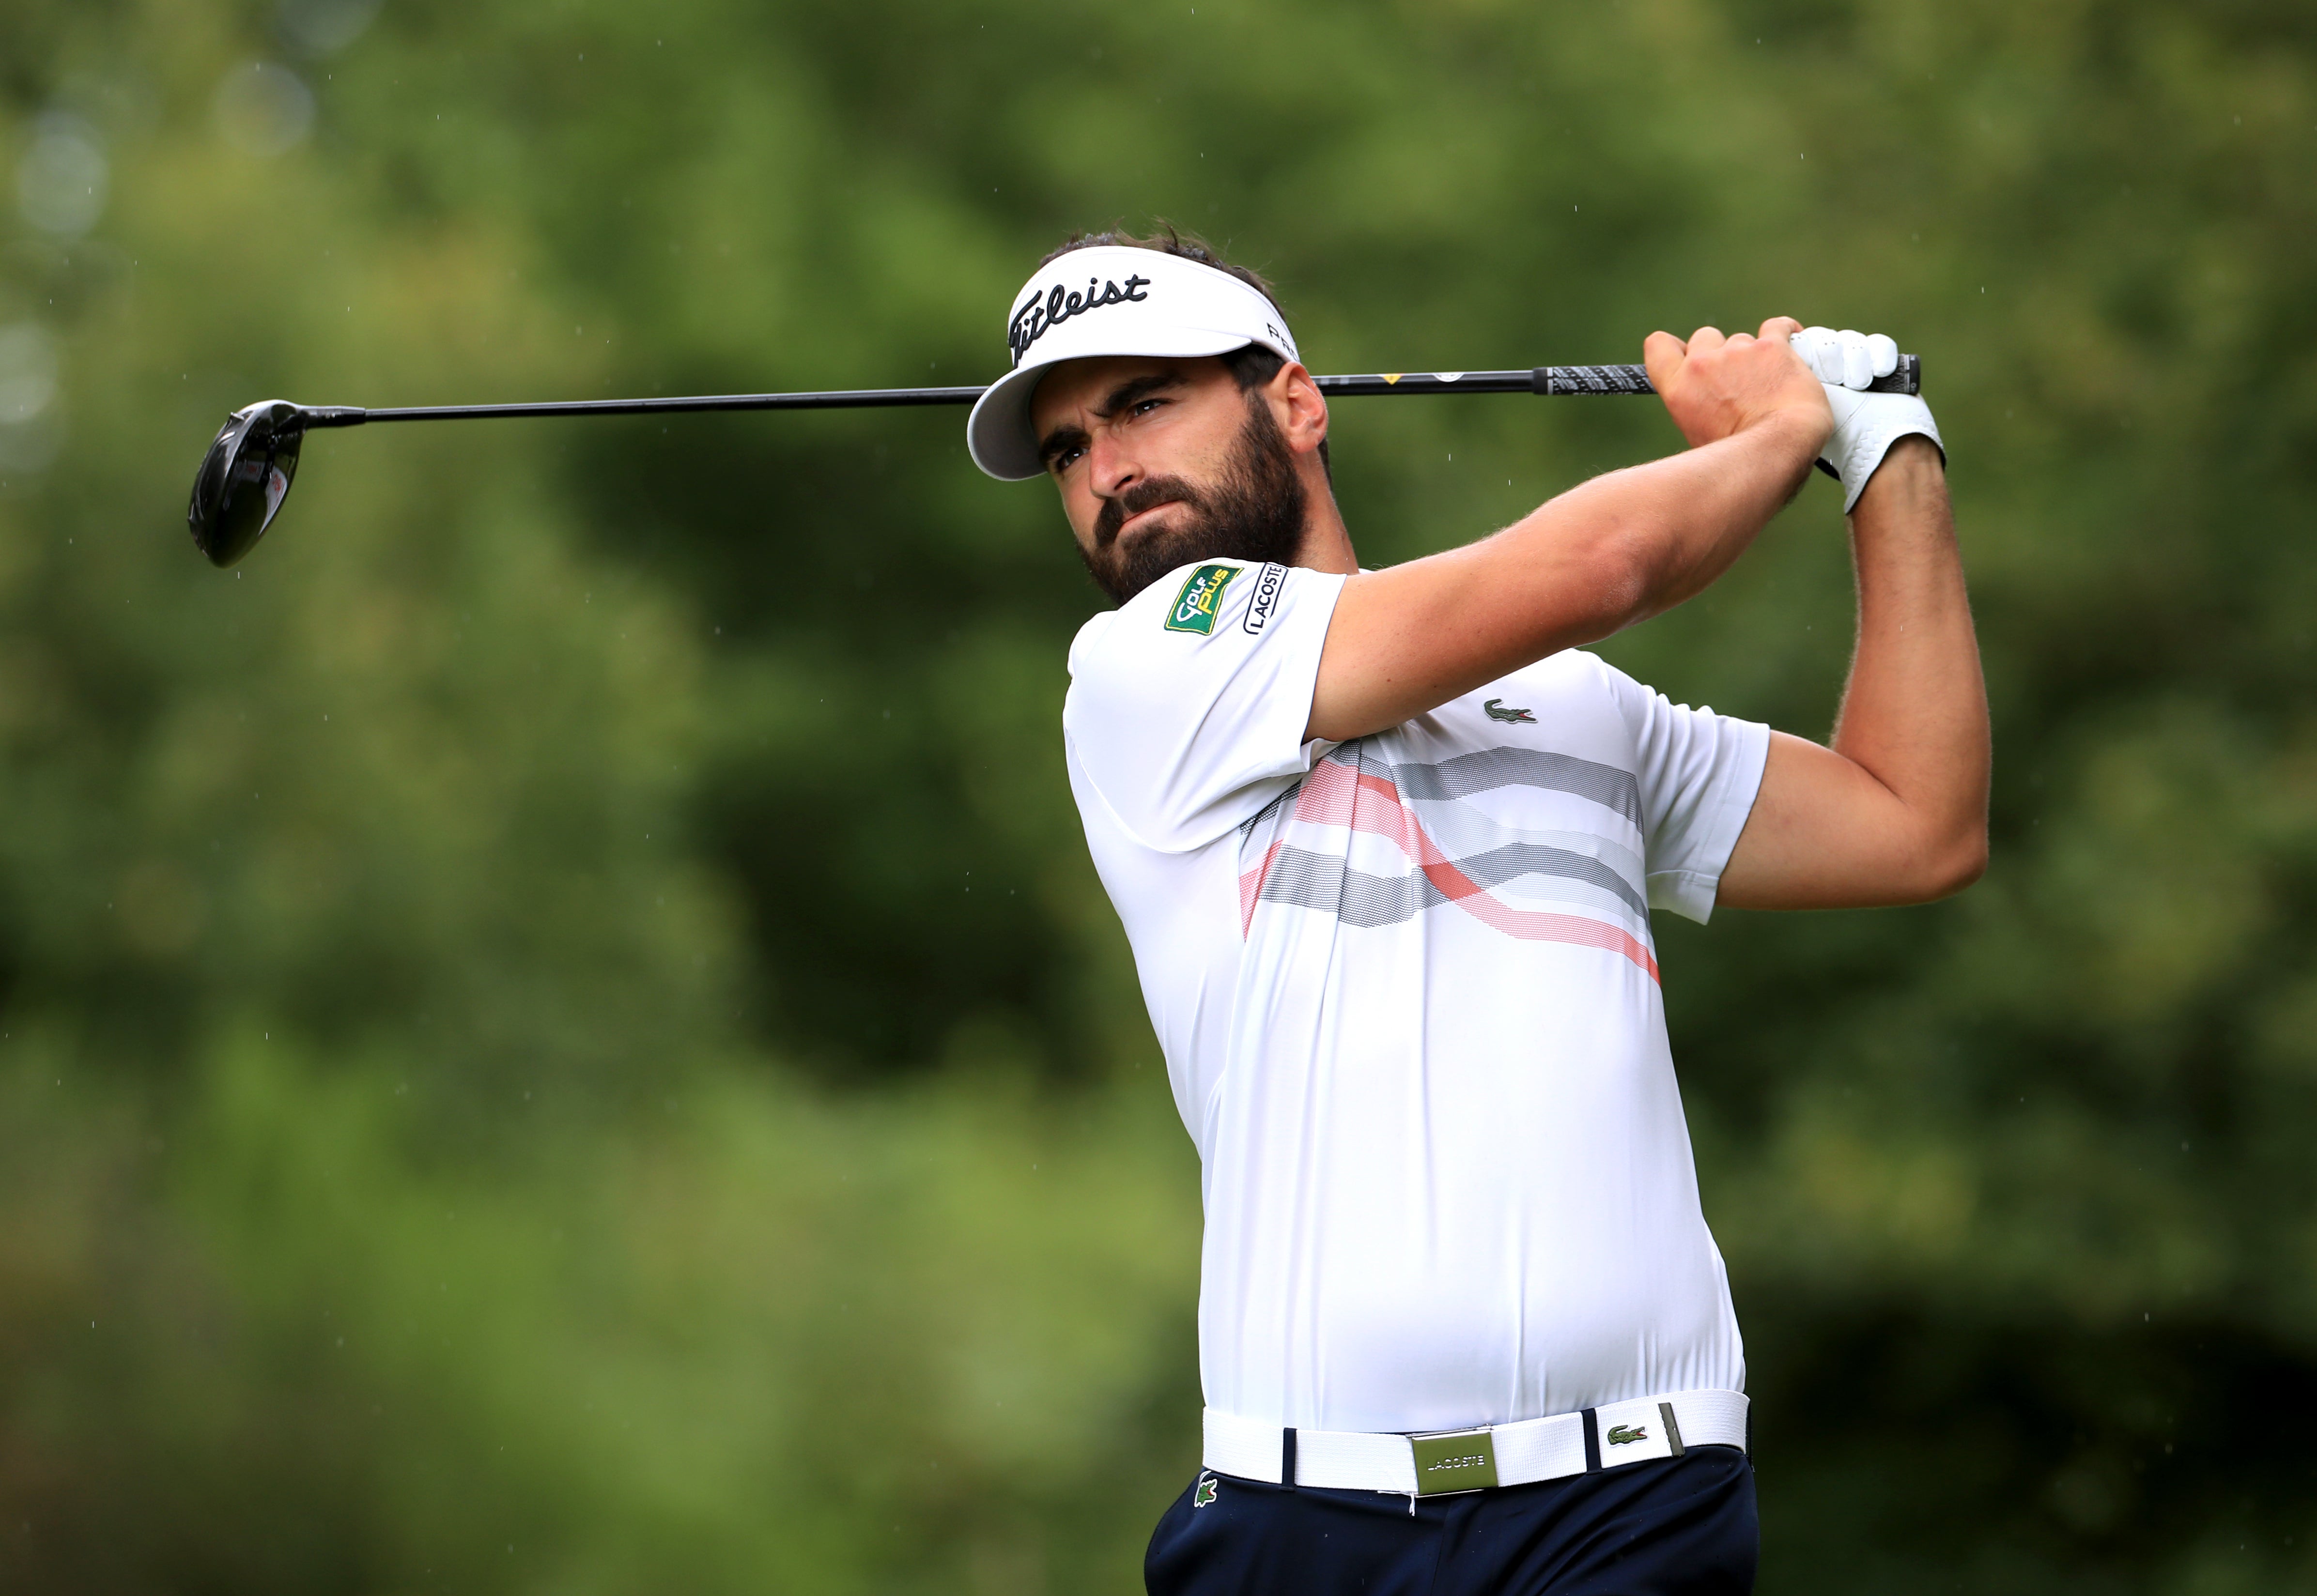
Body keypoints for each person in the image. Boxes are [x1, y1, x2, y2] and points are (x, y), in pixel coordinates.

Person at [965, 229, 1988, 1596]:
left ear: (1294, 401)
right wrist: (1782, 429)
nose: (1109, 470)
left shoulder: (1573, 704)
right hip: (1303, 1529)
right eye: (1068, 449)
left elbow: (1915, 821)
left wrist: (1887, 457)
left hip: (1636, 1511)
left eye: (1147, 401)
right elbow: (1604, 568)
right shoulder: (1148, 671)